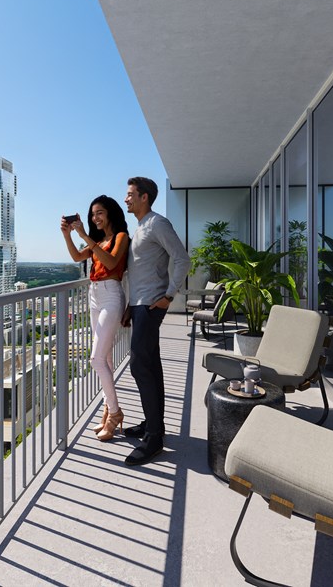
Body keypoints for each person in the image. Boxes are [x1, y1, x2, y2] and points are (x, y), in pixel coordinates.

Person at [119, 176, 191, 466]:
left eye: (130, 194)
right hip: (139, 305)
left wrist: (169, 296)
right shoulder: (140, 228)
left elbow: (183, 259)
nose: (126, 199)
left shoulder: (157, 224)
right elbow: (139, 273)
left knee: (139, 364)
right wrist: (129, 305)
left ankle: (154, 438)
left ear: (144, 197)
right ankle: (153, 426)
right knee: (150, 365)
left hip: (151, 305)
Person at [61, 195, 130, 440]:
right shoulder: (98, 240)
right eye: (92, 214)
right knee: (106, 358)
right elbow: (77, 258)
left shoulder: (121, 237)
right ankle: (107, 411)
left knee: (96, 359)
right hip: (94, 295)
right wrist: (68, 235)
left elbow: (111, 262)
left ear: (110, 213)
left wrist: (84, 236)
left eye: (99, 212)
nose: (95, 218)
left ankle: (115, 413)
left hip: (111, 294)